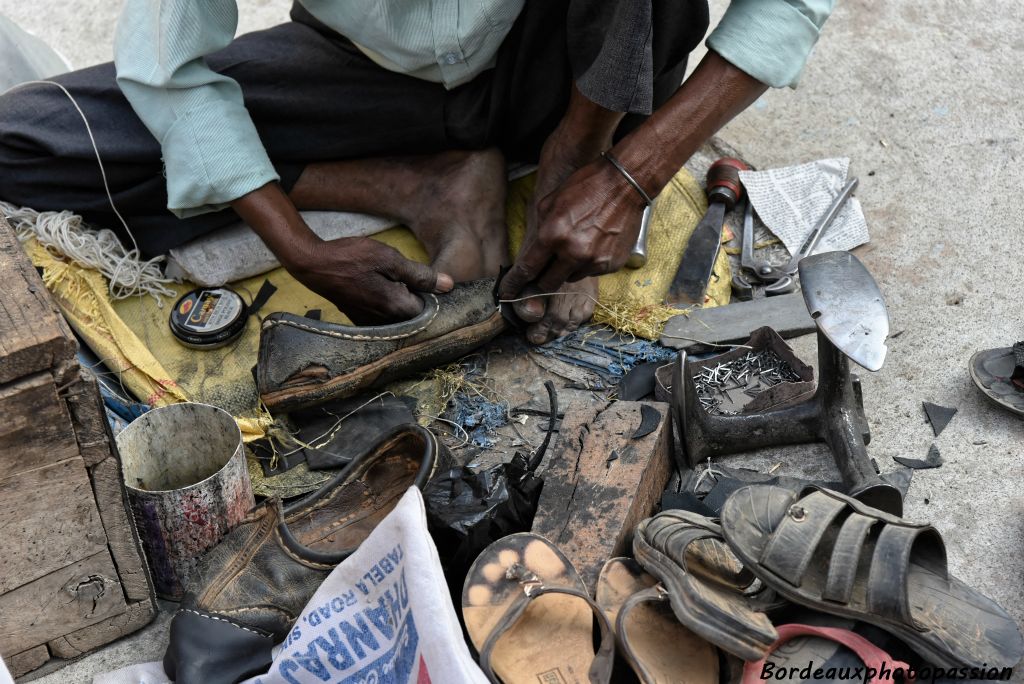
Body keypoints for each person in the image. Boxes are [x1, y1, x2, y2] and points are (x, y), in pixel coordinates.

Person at [0, 0, 833, 344]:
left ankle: (571, 161)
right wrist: (298, 247)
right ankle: (417, 181)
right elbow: (167, 62)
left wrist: (630, 174)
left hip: (564, 75)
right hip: (361, 76)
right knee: (25, 141)